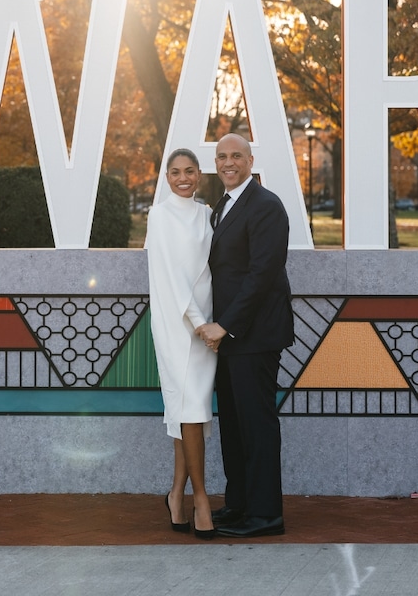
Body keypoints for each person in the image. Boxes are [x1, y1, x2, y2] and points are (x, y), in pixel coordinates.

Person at [196, 132, 294, 538]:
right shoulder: (223, 204)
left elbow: (261, 275)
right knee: (234, 427)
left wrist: (225, 325)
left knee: (256, 426)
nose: (228, 162)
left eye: (236, 155)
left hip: (255, 335)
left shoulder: (266, 205)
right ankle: (239, 505)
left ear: (251, 161)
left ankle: (266, 514)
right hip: (230, 338)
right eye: (222, 156)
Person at [145, 148, 218, 539]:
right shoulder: (159, 215)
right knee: (190, 408)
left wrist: (210, 323)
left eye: (190, 171)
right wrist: (199, 324)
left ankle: (176, 495)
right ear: (166, 177)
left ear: (199, 175)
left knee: (189, 412)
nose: (183, 178)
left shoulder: (206, 214)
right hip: (178, 325)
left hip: (207, 325)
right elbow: (172, 277)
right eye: (175, 172)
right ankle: (201, 499)